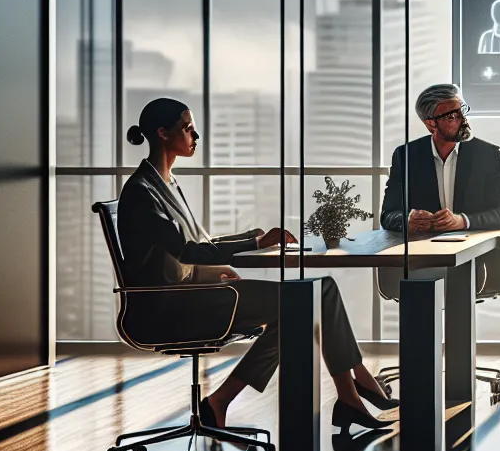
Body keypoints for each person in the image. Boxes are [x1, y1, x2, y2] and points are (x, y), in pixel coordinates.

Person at [116, 98, 394, 433]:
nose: (195, 136)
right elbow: (187, 251)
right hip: (172, 306)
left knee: (319, 293)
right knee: (311, 299)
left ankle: (345, 391)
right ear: (162, 133)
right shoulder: (142, 191)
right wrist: (255, 245)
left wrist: (253, 238)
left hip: (194, 294)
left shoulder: (166, 182)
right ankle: (354, 388)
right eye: (187, 129)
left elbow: (198, 243)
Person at [379, 83, 500, 300]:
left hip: (472, 259)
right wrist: (409, 219)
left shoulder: (488, 154)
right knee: (419, 294)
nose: (463, 119)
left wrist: (461, 221)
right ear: (431, 123)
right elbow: (388, 215)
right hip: (420, 258)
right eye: (452, 115)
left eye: (463, 110)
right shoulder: (406, 156)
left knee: (457, 288)